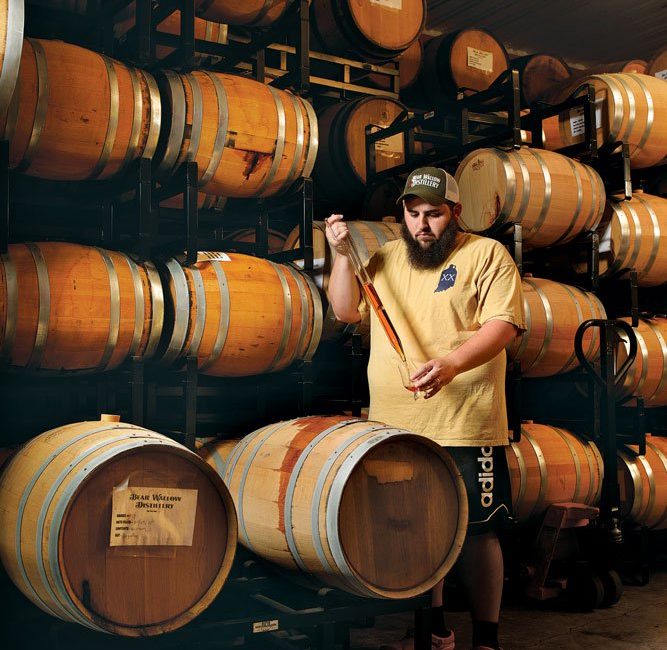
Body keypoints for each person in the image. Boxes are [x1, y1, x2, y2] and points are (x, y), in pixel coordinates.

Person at [325, 166, 525, 650]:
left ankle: (487, 638)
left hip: (465, 421)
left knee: (478, 532)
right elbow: (345, 310)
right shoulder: (388, 257)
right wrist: (340, 257)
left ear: (455, 213)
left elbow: (504, 325)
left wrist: (453, 364)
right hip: (397, 425)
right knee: (417, 529)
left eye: (433, 214)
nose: (422, 225)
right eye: (413, 214)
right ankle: (433, 629)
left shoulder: (486, 254)